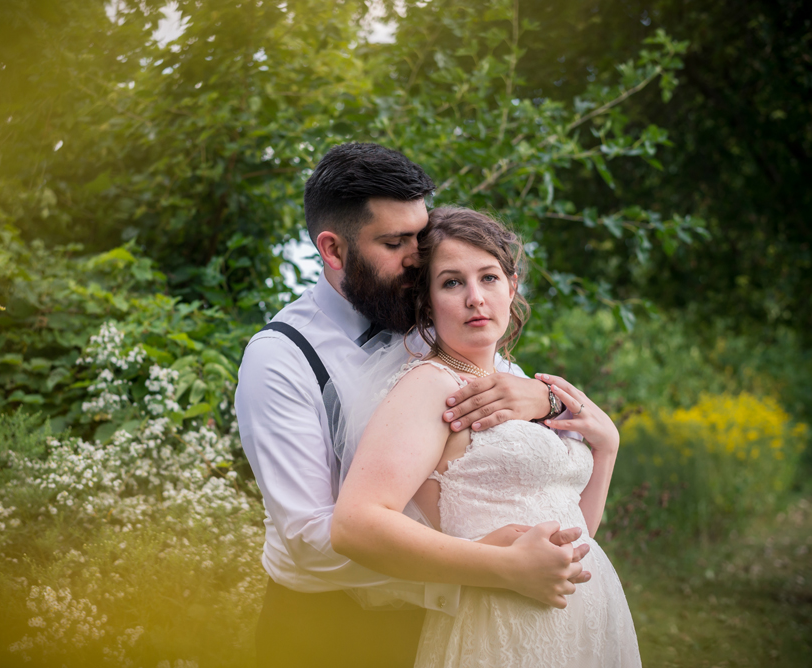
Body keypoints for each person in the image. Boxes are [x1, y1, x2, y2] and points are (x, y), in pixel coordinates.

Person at [235, 143, 591, 668]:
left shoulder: (431, 316)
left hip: (464, 621)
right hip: (330, 633)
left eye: (420, 237)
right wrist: (487, 561)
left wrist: (545, 399)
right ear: (333, 250)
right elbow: (310, 539)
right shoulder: (281, 358)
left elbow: (505, 413)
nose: (417, 257)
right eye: (394, 242)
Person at [331, 206, 641, 667]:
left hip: (584, 617)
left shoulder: (519, 383)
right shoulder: (429, 386)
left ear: (512, 287)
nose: (475, 298)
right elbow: (354, 525)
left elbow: (577, 531)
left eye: (489, 278)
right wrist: (506, 566)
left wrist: (607, 448)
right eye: (452, 283)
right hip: (499, 626)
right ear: (428, 301)